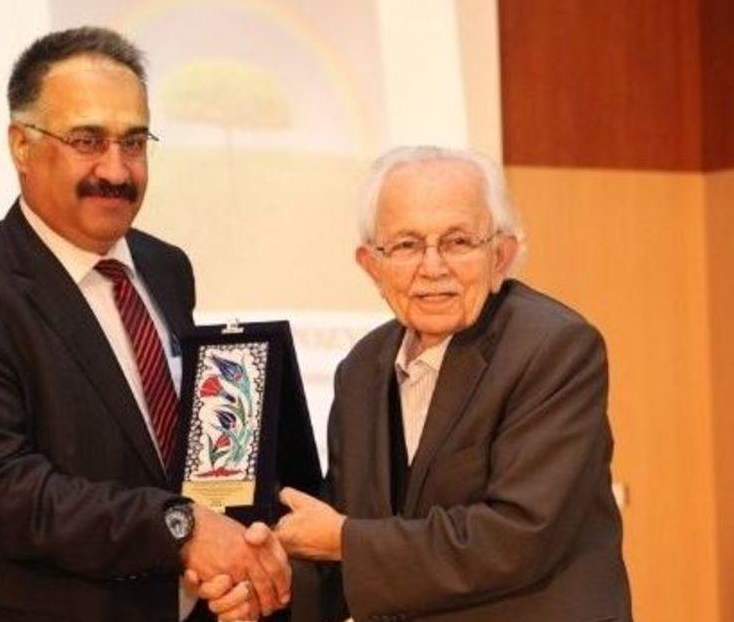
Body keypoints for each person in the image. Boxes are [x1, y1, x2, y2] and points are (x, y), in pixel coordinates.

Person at [0, 26, 288, 622]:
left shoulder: (165, 267)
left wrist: (241, 546)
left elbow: (178, 456)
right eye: (87, 140)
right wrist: (181, 528)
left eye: (134, 142)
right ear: (22, 146)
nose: (117, 170)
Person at [271, 146, 632, 621]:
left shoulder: (555, 348)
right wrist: (261, 584)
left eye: (458, 242)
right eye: (406, 245)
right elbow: (341, 547)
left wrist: (344, 541)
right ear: (371, 265)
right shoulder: (361, 369)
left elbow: (518, 535)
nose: (433, 267)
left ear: (500, 257)